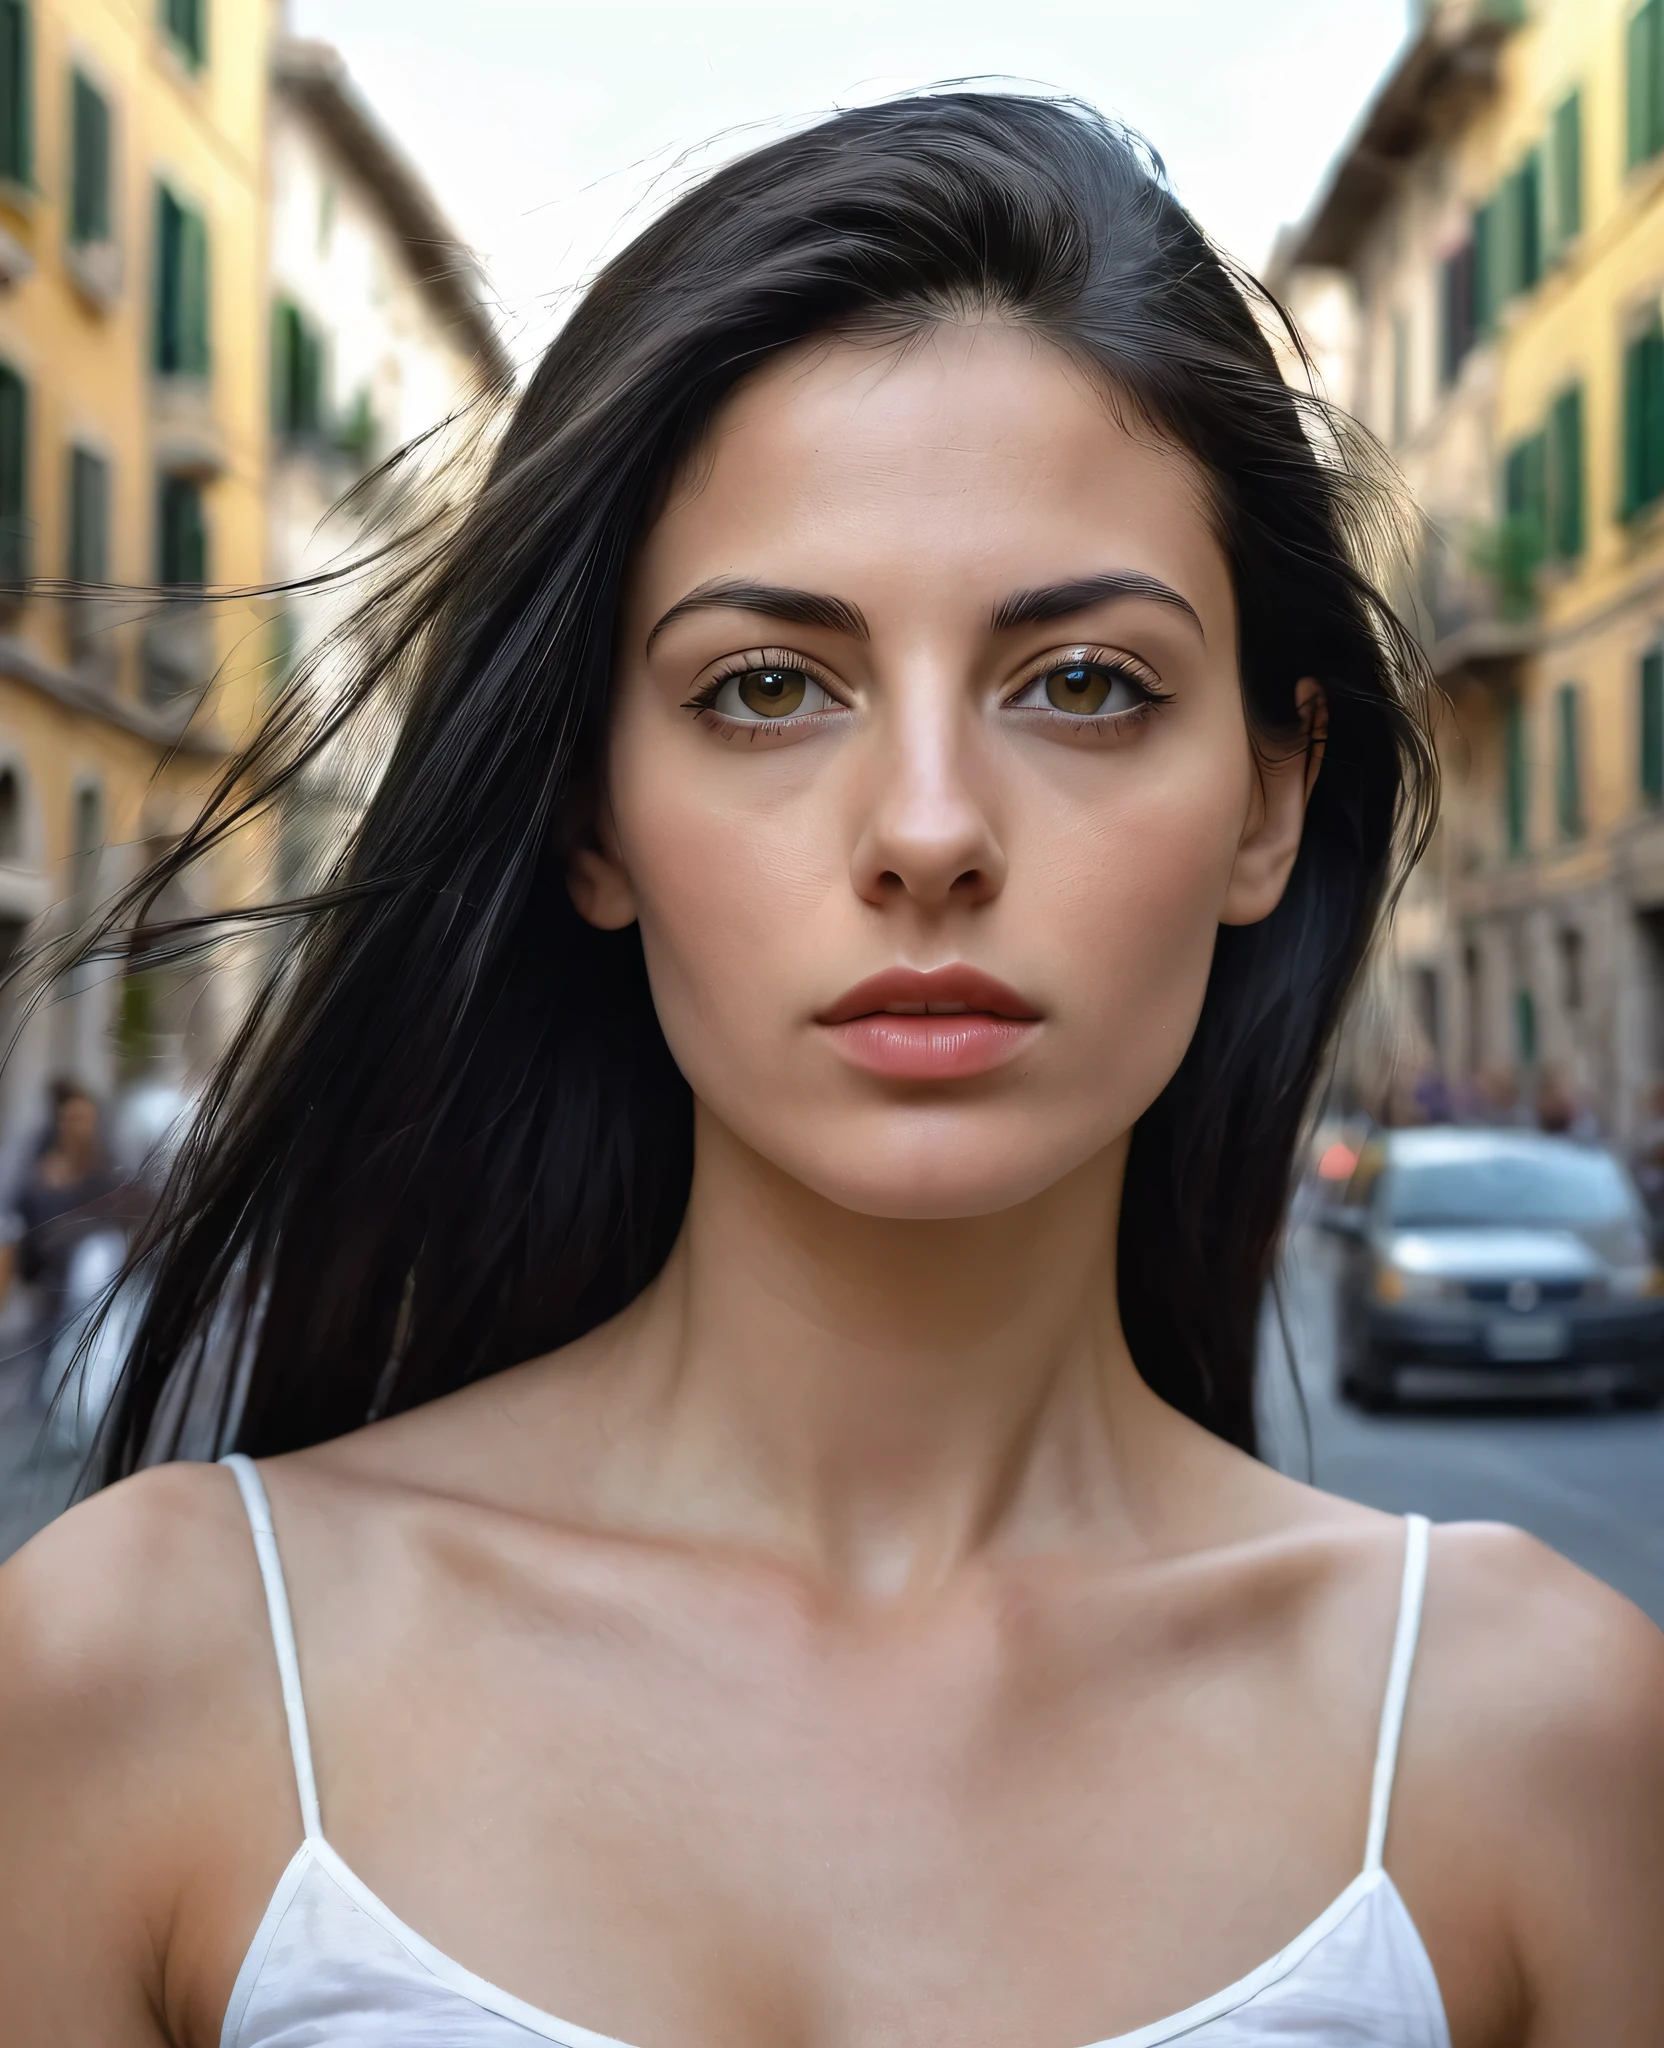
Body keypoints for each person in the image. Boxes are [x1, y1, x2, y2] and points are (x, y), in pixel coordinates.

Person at [0, 94, 1660, 2048]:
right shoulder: (142, 1666)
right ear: (592, 819)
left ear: (1267, 806)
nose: (931, 829)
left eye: (1084, 684)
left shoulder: (1532, 1735)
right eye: (765, 688)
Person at [0, 1078, 131, 1392]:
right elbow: (15, 1239)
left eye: (85, 1120)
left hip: (94, 1307)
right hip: (46, 1301)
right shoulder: (36, 1181)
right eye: (71, 1120)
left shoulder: (110, 1180)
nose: (79, 1128)